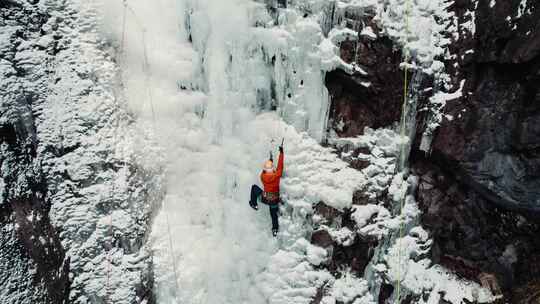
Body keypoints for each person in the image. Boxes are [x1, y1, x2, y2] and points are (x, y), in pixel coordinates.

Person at [249, 145, 284, 237]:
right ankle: (275, 229)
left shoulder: (262, 177)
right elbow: (280, 166)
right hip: (274, 200)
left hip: (265, 198)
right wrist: (281, 153)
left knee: (254, 188)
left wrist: (270, 160)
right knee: (273, 214)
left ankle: (254, 204)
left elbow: (265, 171)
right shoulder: (277, 176)